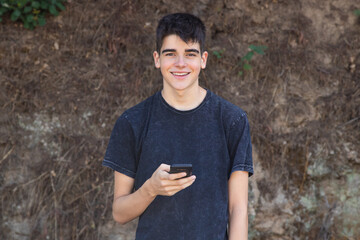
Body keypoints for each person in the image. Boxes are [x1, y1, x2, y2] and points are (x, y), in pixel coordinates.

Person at [102, 13, 254, 240]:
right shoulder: (132, 122)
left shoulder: (232, 120)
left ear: (203, 60)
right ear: (157, 59)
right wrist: (150, 189)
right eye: (170, 54)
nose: (180, 64)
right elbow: (119, 213)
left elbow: (238, 209)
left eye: (190, 54)